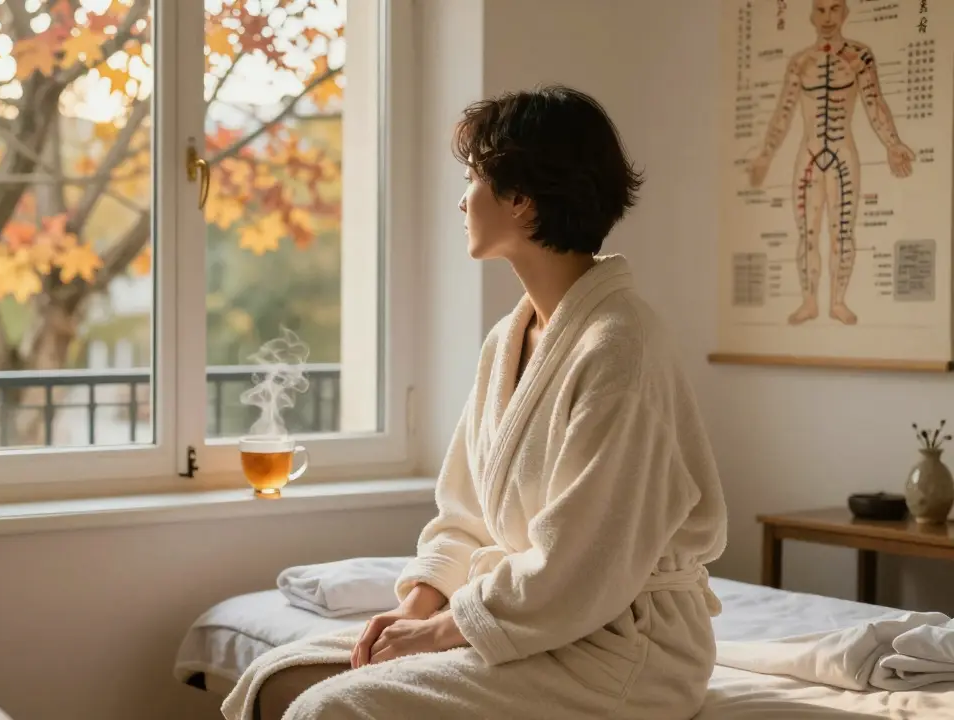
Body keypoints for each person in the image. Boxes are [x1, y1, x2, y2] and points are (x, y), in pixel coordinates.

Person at [221, 85, 728, 720]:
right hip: (531, 620)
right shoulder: (509, 338)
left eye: (473, 177)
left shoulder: (620, 347)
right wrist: (416, 607)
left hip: (622, 646)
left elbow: (584, 562)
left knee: (329, 711)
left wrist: (441, 631)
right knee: (277, 681)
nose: (462, 198)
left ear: (521, 197)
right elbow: (464, 512)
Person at [747, 0, 914, 326]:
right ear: (811, 15)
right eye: (820, 10)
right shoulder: (801, 62)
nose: (827, 17)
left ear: (845, 14)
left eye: (834, 9)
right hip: (808, 156)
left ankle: (837, 301)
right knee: (807, 233)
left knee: (842, 232)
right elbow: (783, 111)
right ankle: (809, 301)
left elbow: (874, 104)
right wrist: (766, 155)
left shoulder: (858, 57)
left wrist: (893, 145)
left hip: (843, 154)